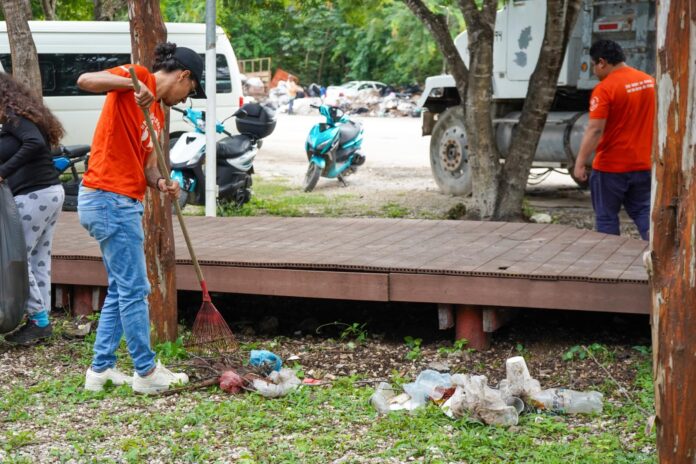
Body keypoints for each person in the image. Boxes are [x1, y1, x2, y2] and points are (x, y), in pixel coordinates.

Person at [76, 43, 205, 394]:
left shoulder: (159, 115)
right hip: (107, 198)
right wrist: (133, 85)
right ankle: (146, 373)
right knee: (135, 288)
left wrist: (162, 182)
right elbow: (85, 79)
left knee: (122, 287)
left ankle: (100, 370)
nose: (186, 97)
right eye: (190, 90)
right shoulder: (138, 75)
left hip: (121, 201)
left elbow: (148, 167)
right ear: (183, 75)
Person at [0, 73, 66, 344]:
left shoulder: (14, 115)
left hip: (34, 195)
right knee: (37, 256)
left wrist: (3, 172)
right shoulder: (17, 116)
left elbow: (34, 144)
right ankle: (41, 319)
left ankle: (38, 320)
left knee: (17, 258)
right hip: (47, 192)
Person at [574, 40, 655, 240]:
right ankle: (658, 255)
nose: (594, 70)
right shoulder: (649, 82)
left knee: (607, 217)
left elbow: (595, 130)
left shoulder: (605, 89)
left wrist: (580, 162)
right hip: (643, 163)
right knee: (643, 212)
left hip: (611, 167)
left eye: (593, 64)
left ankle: (608, 265)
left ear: (602, 62)